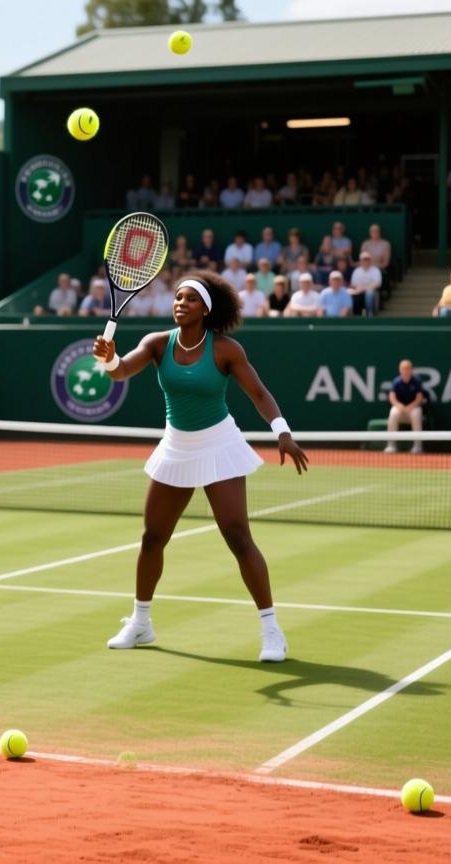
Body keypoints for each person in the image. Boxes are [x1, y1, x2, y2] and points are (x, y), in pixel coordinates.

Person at [92, 272, 307, 662]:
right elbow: (123, 370)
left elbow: (258, 392)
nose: (180, 303)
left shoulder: (226, 349)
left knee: (238, 537)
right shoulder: (157, 343)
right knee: (151, 539)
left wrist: (282, 431)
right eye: (177, 297)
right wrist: (109, 361)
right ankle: (141, 622)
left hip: (219, 445)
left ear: (205, 309)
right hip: (176, 447)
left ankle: (272, 630)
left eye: (190, 299)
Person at [385, 359, 425, 454]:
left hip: (413, 407)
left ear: (411, 370)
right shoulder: (396, 381)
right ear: (400, 370)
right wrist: (399, 406)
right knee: (393, 413)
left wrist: (410, 407)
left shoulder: (416, 381)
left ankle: (417, 446)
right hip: (400, 408)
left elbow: (419, 398)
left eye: (408, 368)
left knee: (416, 413)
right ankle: (391, 445)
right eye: (403, 368)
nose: (406, 370)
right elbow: (392, 397)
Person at [349, 251, 382, 317]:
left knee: (369, 293)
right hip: (358, 292)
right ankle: (356, 315)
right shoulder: (356, 271)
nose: (366, 261)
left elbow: (377, 284)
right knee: (351, 293)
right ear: (360, 261)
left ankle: (369, 314)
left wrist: (363, 288)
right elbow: (353, 285)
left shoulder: (375, 270)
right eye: (364, 260)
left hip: (371, 292)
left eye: (367, 259)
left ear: (370, 260)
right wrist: (358, 290)